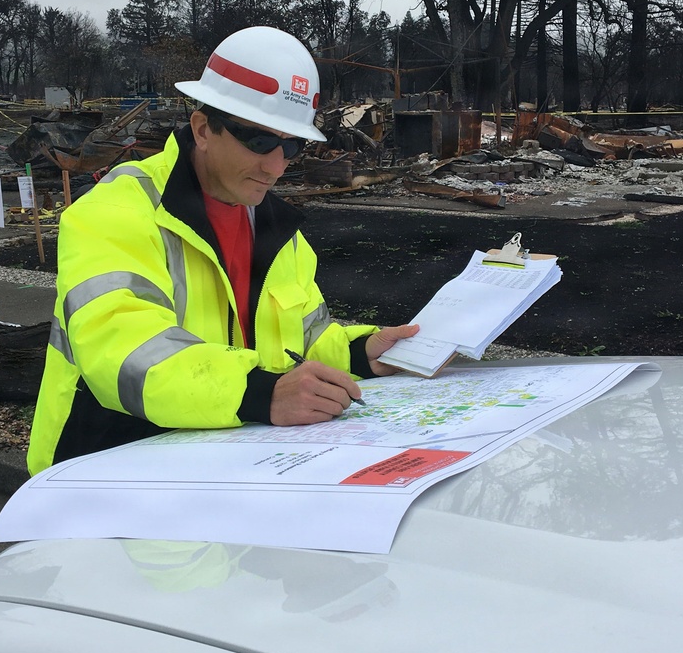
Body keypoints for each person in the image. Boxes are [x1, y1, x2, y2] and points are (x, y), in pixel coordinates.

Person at [27, 26, 418, 474]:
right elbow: (126, 354)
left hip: (222, 470)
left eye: (291, 145)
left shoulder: (281, 232)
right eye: (258, 140)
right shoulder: (115, 212)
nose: (275, 165)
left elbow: (304, 340)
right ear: (202, 129)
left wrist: (363, 352)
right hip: (102, 475)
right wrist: (261, 393)